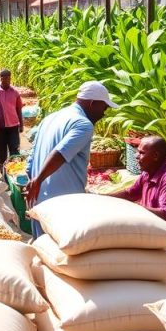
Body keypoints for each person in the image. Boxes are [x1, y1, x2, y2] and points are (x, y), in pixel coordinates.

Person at [25, 81, 117, 236]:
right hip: (63, 205)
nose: (104, 112)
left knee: (41, 252)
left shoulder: (51, 118)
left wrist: (34, 182)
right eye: (104, 106)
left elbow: (31, 158)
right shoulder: (83, 124)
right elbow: (60, 153)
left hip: (38, 200)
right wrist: (38, 180)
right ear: (92, 103)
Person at [111, 135, 166, 231]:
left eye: (141, 153)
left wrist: (136, 208)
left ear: (155, 156)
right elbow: (130, 193)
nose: (136, 156)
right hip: (158, 225)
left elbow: (165, 215)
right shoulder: (147, 173)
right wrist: (101, 197)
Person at [0, 69, 23, 177]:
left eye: (8, 78)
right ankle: (4, 176)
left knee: (14, 150)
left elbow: (19, 108)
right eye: (3, 78)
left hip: (13, 126)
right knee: (1, 153)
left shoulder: (14, 92)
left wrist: (21, 124)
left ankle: (15, 174)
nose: (6, 80)